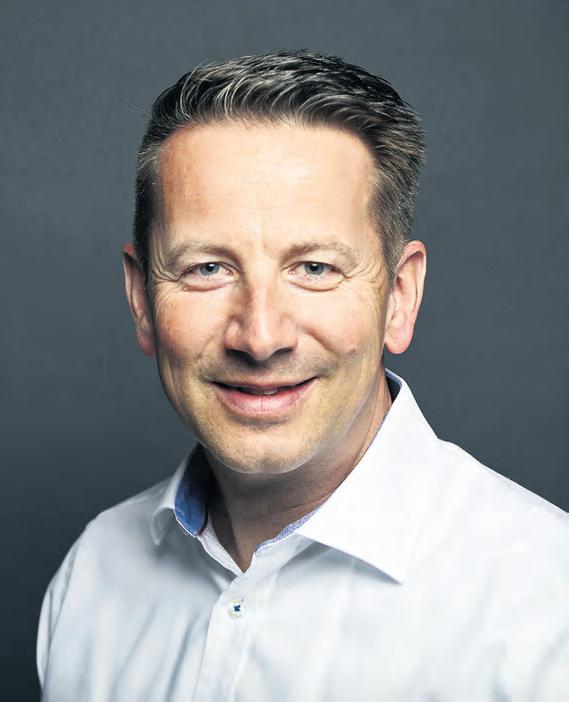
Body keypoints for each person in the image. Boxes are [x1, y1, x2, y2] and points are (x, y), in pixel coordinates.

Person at [36, 50, 568, 701]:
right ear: (142, 299)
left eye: (315, 268)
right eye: (207, 268)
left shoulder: (545, 609)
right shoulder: (92, 577)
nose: (261, 337)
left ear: (399, 298)